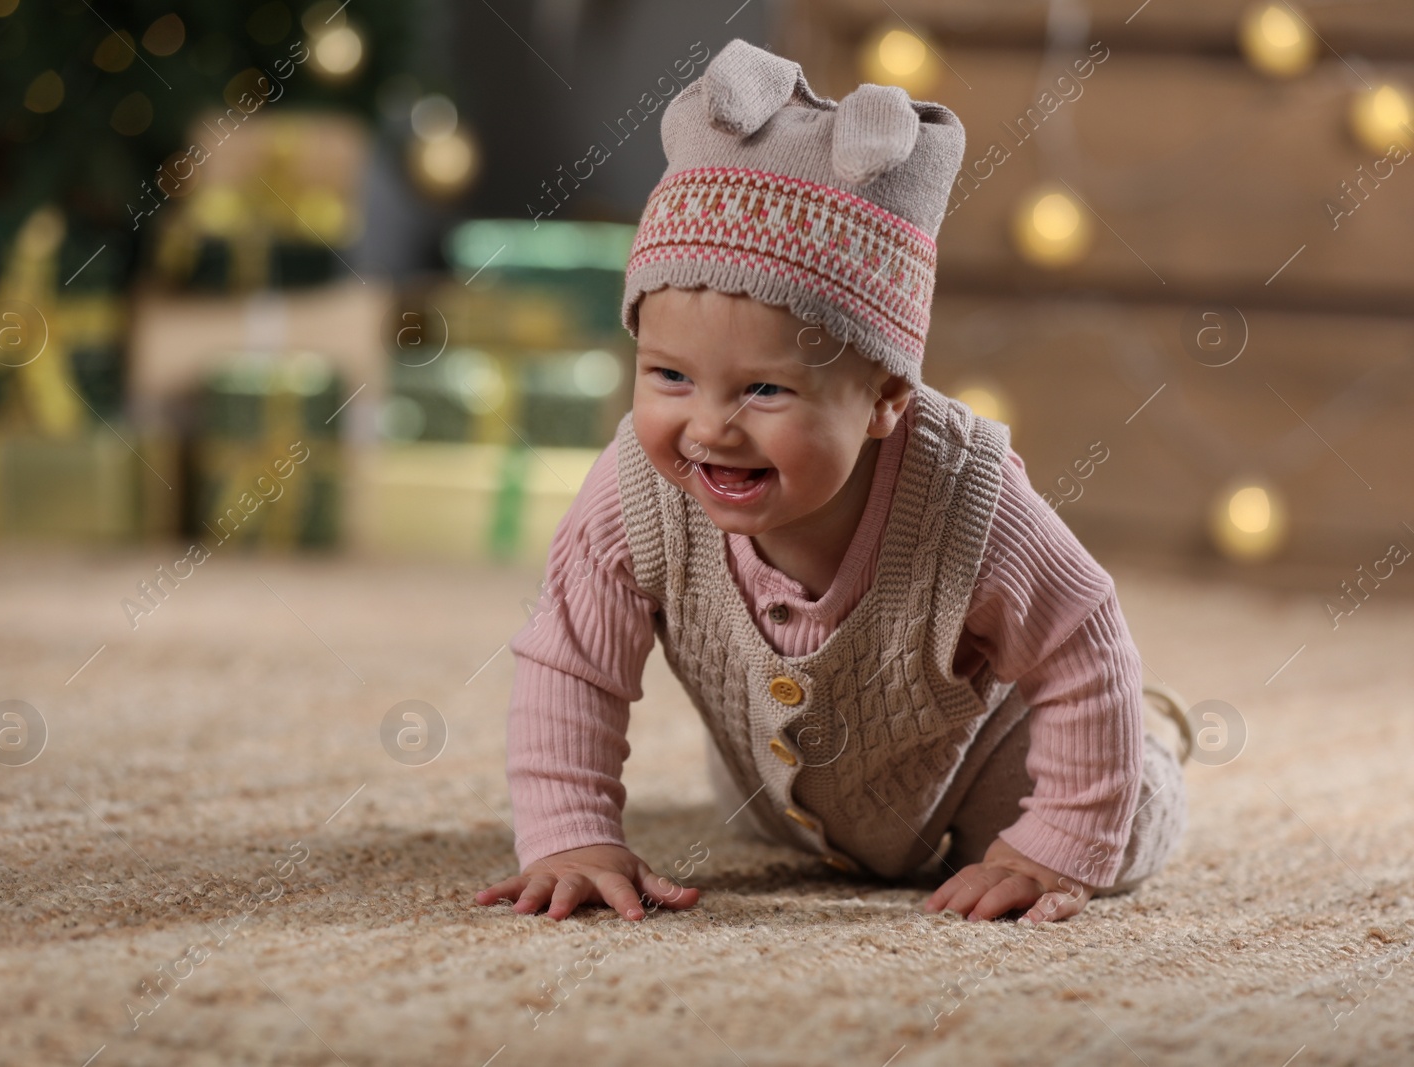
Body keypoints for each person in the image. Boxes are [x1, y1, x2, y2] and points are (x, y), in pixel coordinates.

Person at [475, 38, 1191, 927]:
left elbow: (1082, 637)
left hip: (981, 759)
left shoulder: (965, 500)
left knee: (1110, 839)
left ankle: (1143, 747)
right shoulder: (635, 490)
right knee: (767, 790)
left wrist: (1057, 844)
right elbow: (570, 659)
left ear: (888, 397)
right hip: (788, 782)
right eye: (669, 377)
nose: (708, 426)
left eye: (765, 390)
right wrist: (571, 833)